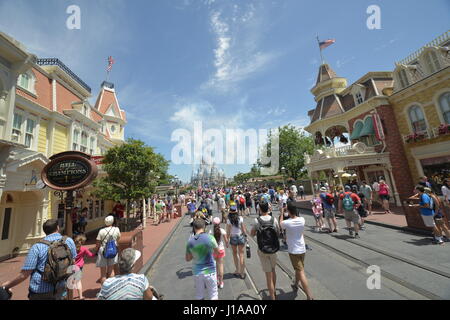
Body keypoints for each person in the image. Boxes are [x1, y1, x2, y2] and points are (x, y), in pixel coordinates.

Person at [1, 219, 76, 300]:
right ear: (57, 228)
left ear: (45, 231)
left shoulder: (37, 247)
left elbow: (24, 274)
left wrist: (7, 285)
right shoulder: (69, 241)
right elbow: (73, 262)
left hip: (41, 290)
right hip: (61, 286)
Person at [280, 202, 314, 300]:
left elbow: (280, 224)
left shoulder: (287, 222)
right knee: (298, 269)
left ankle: (309, 295)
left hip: (294, 250)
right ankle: (295, 284)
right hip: (302, 248)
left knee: (301, 271)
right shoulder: (302, 220)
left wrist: (282, 212)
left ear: (289, 212)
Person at [251, 198, 281, 300]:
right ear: (268, 208)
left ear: (259, 209)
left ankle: (272, 297)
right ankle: (274, 291)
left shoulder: (257, 220)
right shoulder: (274, 219)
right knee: (273, 270)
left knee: (268, 275)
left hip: (262, 250)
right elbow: (277, 233)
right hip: (273, 249)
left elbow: (252, 234)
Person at [186, 219, 219, 300]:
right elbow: (217, 252)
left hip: (197, 272)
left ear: (194, 228)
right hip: (210, 271)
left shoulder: (190, 241)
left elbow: (188, 259)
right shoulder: (210, 238)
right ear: (204, 227)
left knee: (199, 295)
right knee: (213, 295)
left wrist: (196, 254)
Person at [95, 216, 121, 284]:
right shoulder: (116, 229)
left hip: (103, 250)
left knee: (103, 274)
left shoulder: (101, 231)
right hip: (113, 250)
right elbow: (118, 238)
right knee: (111, 271)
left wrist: (96, 250)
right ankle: (111, 289)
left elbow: (98, 242)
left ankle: (104, 290)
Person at [71, 234, 95, 300]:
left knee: (71, 280)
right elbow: (91, 255)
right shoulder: (83, 249)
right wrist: (95, 251)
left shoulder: (71, 249)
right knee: (78, 281)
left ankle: (69, 295)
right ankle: (80, 296)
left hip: (72, 266)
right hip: (79, 267)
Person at [226, 205, 248, 279]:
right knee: (241, 254)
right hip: (240, 236)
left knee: (235, 254)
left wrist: (227, 240)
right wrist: (245, 236)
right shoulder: (240, 218)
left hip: (233, 237)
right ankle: (242, 273)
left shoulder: (228, 220)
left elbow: (228, 231)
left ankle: (237, 270)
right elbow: (243, 228)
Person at [210, 217, 229, 289]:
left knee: (214, 266)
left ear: (213, 223)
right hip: (221, 250)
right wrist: (227, 244)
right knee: (220, 266)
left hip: (214, 250)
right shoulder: (222, 230)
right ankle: (221, 282)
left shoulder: (211, 232)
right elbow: (226, 240)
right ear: (220, 223)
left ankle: (216, 280)